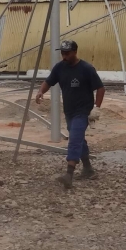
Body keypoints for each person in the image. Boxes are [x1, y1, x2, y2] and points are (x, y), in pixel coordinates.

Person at [35, 39, 104, 189]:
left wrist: (96, 108)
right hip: (69, 111)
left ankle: (69, 174)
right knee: (78, 138)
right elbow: (49, 81)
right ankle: (88, 169)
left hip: (83, 111)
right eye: (62, 54)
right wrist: (41, 91)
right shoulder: (60, 68)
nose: (64, 57)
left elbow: (100, 88)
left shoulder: (86, 69)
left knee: (74, 138)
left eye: (67, 53)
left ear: (75, 52)